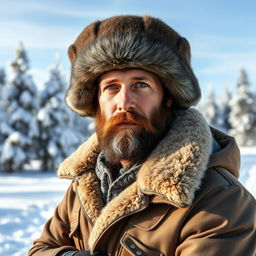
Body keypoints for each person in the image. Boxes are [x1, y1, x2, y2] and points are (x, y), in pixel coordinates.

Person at [28, 15, 256, 256]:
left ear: (168, 98)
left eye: (140, 85)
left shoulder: (220, 201)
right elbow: (41, 249)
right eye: (111, 87)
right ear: (97, 103)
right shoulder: (86, 182)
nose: (124, 103)